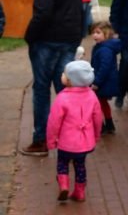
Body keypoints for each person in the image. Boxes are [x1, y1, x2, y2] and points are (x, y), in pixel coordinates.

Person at [20, 0, 82, 157]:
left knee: (41, 90)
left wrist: (30, 36)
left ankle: (40, 140)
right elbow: (79, 8)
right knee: (67, 91)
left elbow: (43, 12)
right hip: (69, 39)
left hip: (47, 41)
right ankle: (73, 140)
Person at [46, 60, 102, 202]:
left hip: (66, 142)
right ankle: (80, 192)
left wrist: (51, 140)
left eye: (65, 74)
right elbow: (97, 118)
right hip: (84, 143)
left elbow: (54, 122)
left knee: (62, 163)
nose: (62, 75)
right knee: (80, 166)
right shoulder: (92, 96)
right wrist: (96, 135)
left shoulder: (62, 98)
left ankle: (64, 185)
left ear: (70, 81)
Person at [90, 21, 121, 134]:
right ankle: (109, 124)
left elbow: (104, 67)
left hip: (102, 82)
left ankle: (101, 126)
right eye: (93, 32)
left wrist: (96, 82)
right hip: (104, 81)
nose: (95, 35)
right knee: (102, 102)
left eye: (98, 33)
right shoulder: (102, 47)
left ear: (107, 34)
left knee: (96, 104)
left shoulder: (104, 49)